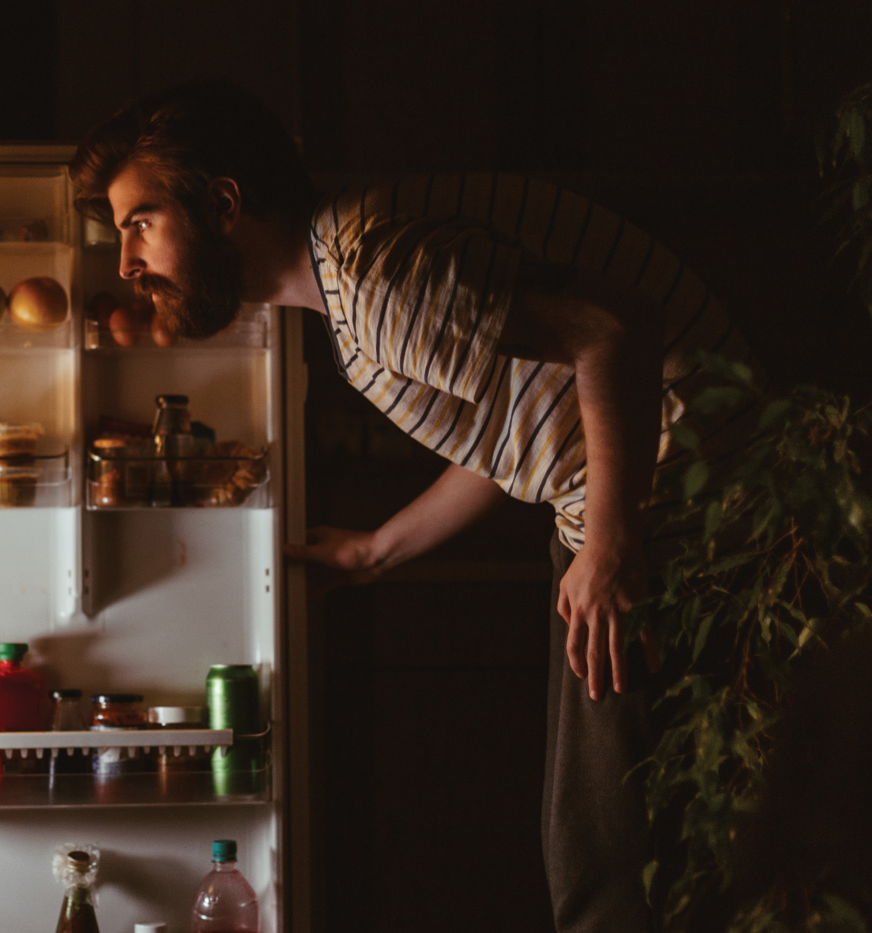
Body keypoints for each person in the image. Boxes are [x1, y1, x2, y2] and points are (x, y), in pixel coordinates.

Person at [71, 79, 753, 933]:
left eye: (140, 223)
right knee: (612, 852)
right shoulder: (357, 275)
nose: (128, 262)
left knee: (607, 873)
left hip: (679, 509)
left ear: (223, 205)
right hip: (649, 501)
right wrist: (377, 551)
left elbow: (611, 330)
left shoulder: (378, 282)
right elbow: (518, 427)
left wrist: (612, 544)